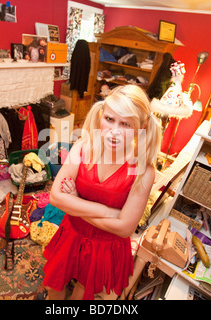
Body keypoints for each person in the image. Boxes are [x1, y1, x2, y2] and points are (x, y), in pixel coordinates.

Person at [43, 85, 161, 300]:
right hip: (72, 234)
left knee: (83, 290)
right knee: (54, 287)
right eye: (109, 119)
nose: (114, 130)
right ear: (101, 114)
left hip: (106, 246)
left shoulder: (142, 169)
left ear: (141, 127)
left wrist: (76, 203)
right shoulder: (83, 147)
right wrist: (108, 211)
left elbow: (125, 229)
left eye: (125, 123)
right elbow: (56, 197)